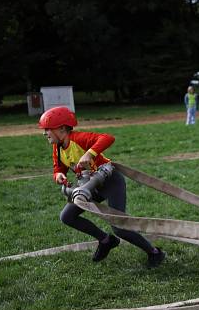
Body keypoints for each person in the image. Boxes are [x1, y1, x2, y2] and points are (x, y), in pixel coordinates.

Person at [38, 107, 165, 267]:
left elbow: (108, 138)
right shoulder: (57, 148)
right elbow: (58, 168)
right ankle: (106, 241)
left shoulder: (79, 139)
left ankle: (154, 252)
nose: (44, 133)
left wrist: (89, 153)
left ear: (62, 128)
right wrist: (58, 176)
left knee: (118, 227)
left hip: (111, 181)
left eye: (47, 129)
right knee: (67, 217)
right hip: (90, 186)